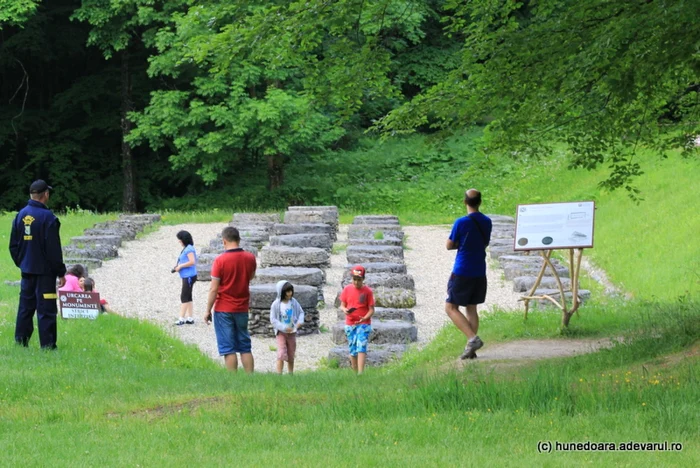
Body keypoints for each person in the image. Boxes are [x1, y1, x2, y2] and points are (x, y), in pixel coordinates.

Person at [8, 179, 66, 349]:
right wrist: (60, 272)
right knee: (46, 309)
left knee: (25, 307)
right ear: (45, 195)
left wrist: (22, 262)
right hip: (45, 273)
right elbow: (53, 250)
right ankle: (48, 346)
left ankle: (21, 341)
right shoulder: (48, 218)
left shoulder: (20, 215)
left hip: (27, 270)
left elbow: (13, 246)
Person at [445, 188, 492, 360]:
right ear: (480, 202)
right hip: (480, 270)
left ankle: (472, 339)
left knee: (450, 307)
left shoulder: (461, 222)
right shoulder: (487, 221)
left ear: (465, 202)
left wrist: (462, 244)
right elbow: (484, 242)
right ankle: (470, 350)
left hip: (462, 271)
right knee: (471, 308)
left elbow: (449, 245)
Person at [203, 227, 257, 373]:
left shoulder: (220, 260)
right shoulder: (250, 257)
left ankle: (233, 381)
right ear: (239, 240)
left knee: (228, 348)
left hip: (223, 309)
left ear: (224, 241)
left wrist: (207, 310)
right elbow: (250, 276)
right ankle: (250, 379)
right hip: (242, 308)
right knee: (245, 346)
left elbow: (214, 289)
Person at [339, 265, 375, 375]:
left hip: (363, 323)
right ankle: (355, 373)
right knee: (353, 349)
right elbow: (342, 305)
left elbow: (371, 309)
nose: (356, 282)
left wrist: (365, 317)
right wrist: (345, 310)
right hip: (350, 323)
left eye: (359, 280)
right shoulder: (347, 289)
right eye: (354, 279)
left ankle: (361, 373)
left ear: (363, 279)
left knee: (361, 346)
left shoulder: (367, 291)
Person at [269, 280, 305, 374]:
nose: (289, 293)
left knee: (291, 353)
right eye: (287, 291)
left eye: (290, 291)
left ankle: (290, 374)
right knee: (281, 353)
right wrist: (284, 327)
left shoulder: (294, 302)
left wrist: (299, 323)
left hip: (292, 332)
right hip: (281, 333)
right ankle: (279, 374)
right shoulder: (276, 304)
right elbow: (273, 320)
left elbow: (301, 312)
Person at [173, 230, 198, 325]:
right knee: (188, 296)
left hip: (189, 276)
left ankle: (181, 318)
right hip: (187, 276)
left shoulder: (189, 249)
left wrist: (181, 266)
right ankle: (190, 317)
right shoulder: (187, 248)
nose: (179, 241)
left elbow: (192, 261)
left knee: (184, 296)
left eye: (180, 239)